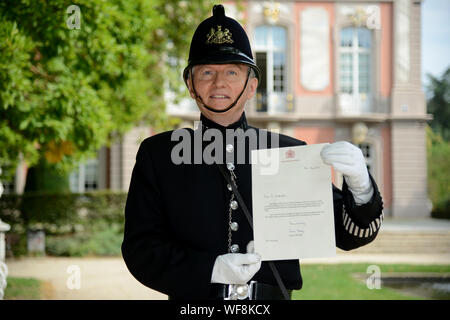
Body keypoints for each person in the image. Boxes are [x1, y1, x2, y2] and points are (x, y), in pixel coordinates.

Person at [121, 4, 384, 300]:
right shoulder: (159, 155)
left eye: (232, 71)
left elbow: (347, 235)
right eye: (207, 71)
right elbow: (140, 249)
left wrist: (362, 190)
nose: (219, 83)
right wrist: (210, 269)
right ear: (190, 85)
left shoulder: (288, 153)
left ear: (251, 86)